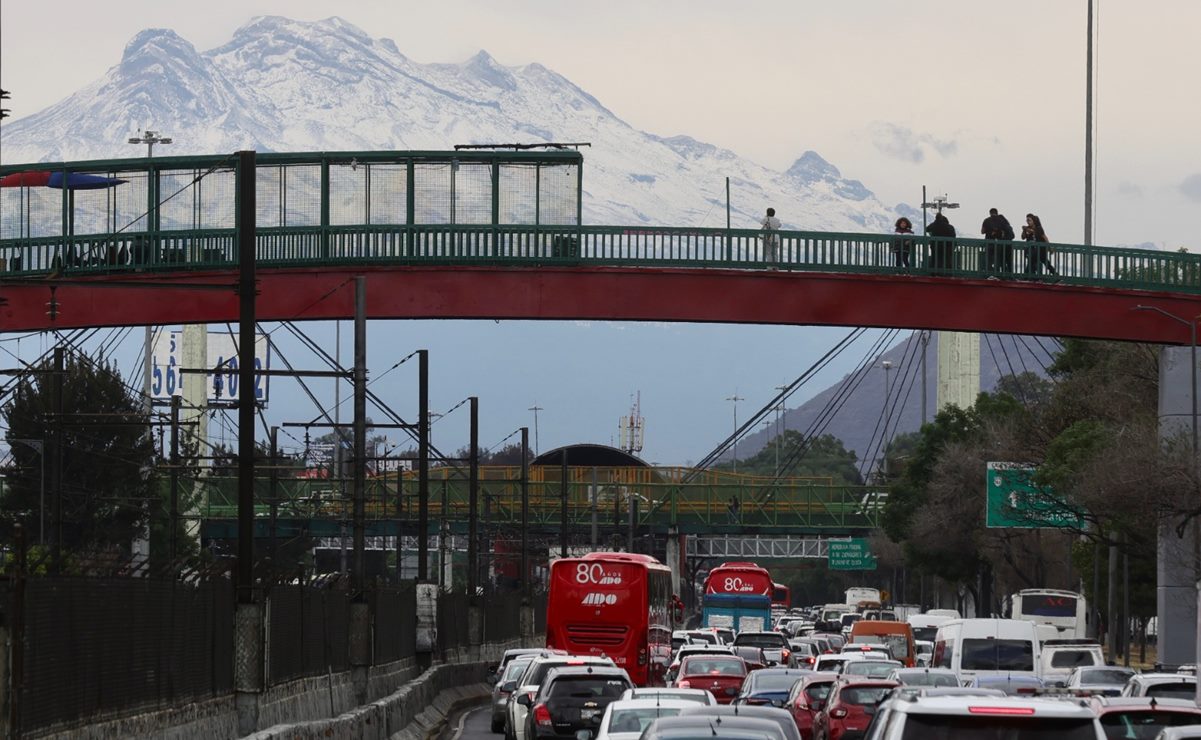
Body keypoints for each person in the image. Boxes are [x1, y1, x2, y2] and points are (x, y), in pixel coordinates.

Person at [980, 208, 1015, 276]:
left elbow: (982, 231)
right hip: (1000, 244)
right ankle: (999, 274)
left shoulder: (986, 220)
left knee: (988, 259)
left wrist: (989, 231)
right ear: (997, 212)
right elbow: (1005, 233)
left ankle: (989, 274)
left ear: (990, 213)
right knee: (998, 259)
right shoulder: (1002, 221)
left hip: (989, 243)